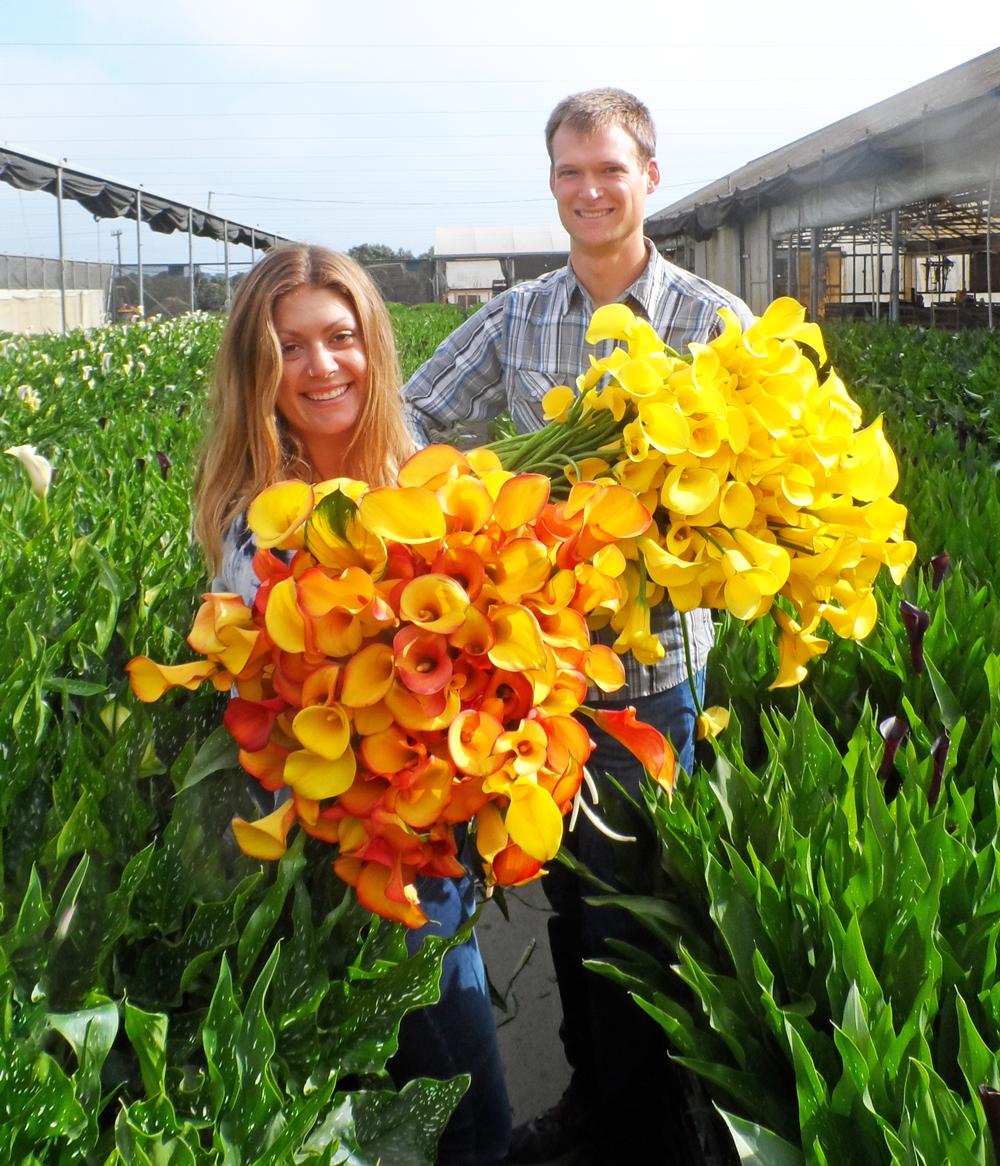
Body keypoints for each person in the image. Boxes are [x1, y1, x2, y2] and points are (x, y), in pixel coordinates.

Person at [404, 89, 755, 1163]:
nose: (589, 190)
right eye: (569, 172)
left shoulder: (711, 320)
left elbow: (762, 470)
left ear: (649, 175)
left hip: (650, 670)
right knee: (558, 896)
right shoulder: (517, 315)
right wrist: (472, 499)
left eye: (608, 169)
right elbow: (411, 413)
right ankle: (594, 1102)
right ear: (551, 183)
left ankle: (647, 1122)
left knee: (635, 910)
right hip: (537, 673)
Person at [192, 243, 512, 1166]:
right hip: (342, 857)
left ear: (372, 343)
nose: (321, 366)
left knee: (454, 1100)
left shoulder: (430, 482)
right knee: (445, 1114)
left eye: (340, 338)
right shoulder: (254, 519)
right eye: (289, 348)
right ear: (258, 368)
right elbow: (259, 697)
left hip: (429, 846)